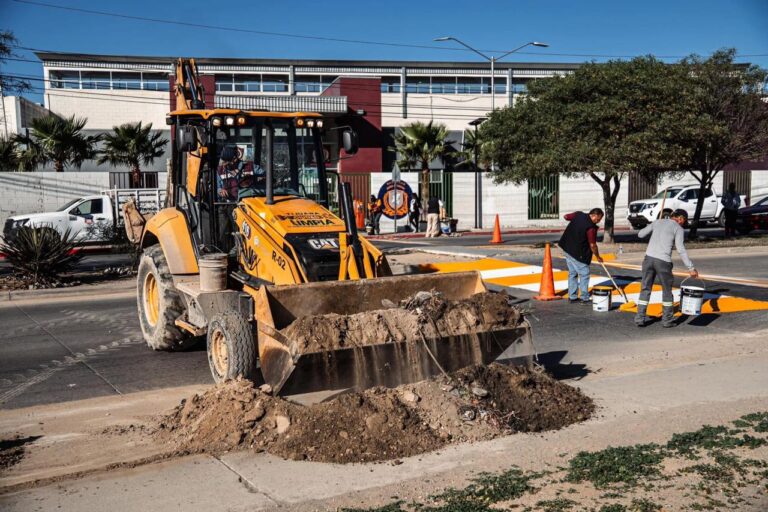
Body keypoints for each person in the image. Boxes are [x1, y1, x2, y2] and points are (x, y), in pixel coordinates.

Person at [635, 209, 699, 328]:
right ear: (680, 218)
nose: (683, 224)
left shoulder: (657, 222)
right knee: (667, 291)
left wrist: (655, 224)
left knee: (645, 288)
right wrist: (691, 268)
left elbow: (640, 234)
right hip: (663, 262)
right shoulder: (678, 228)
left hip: (648, 259)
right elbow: (680, 249)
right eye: (684, 221)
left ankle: (640, 317)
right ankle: (667, 320)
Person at [558, 208, 604, 304]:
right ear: (594, 215)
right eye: (598, 219)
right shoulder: (590, 228)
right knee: (584, 273)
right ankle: (584, 297)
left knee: (573, 273)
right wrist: (598, 257)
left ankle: (572, 296)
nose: (598, 221)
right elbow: (593, 245)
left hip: (567, 247)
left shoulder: (578, 214)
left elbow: (566, 217)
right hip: (578, 253)